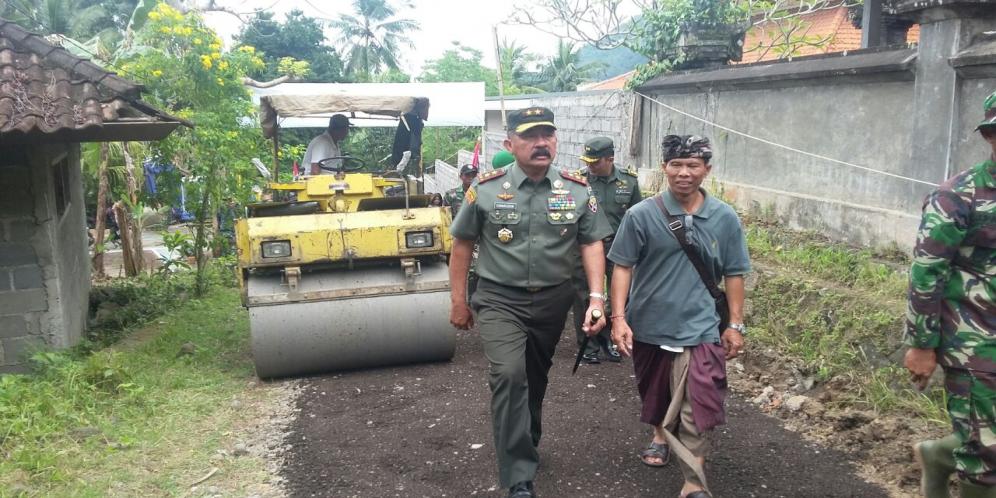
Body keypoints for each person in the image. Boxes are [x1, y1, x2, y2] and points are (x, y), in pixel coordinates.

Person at [448, 107, 613, 498]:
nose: (541, 143)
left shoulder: (576, 189)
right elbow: (462, 245)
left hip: (553, 300)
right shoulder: (486, 189)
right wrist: (458, 300)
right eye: (530, 136)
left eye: (547, 135)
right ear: (509, 144)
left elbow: (591, 242)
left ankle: (525, 439)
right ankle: (518, 474)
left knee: (535, 377)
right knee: (509, 374)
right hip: (499, 298)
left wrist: (596, 298)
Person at [608, 135, 749, 498]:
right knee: (655, 392)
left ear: (707, 170)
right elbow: (622, 266)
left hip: (701, 325)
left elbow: (734, 273)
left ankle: (692, 483)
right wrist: (619, 318)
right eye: (676, 165)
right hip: (650, 324)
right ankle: (659, 434)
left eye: (693, 165)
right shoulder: (641, 215)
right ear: (664, 168)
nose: (684, 173)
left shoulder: (724, 217)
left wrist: (734, 324)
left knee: (700, 401)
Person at [905, 90, 996, 498]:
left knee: (985, 439)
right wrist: (923, 345)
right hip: (973, 341)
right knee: (986, 459)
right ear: (990, 137)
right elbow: (927, 271)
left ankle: (939, 456)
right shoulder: (957, 196)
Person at [571, 136, 642, 365]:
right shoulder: (578, 181)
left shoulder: (629, 182)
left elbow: (636, 215)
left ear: (610, 159)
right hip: (586, 245)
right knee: (584, 295)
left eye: (595, 161)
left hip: (617, 247)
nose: (590, 165)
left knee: (619, 296)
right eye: (587, 160)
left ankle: (611, 339)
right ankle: (588, 344)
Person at [392, 98, 429, 177]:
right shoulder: (412, 121)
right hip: (403, 154)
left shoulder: (410, 120)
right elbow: (413, 143)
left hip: (403, 154)